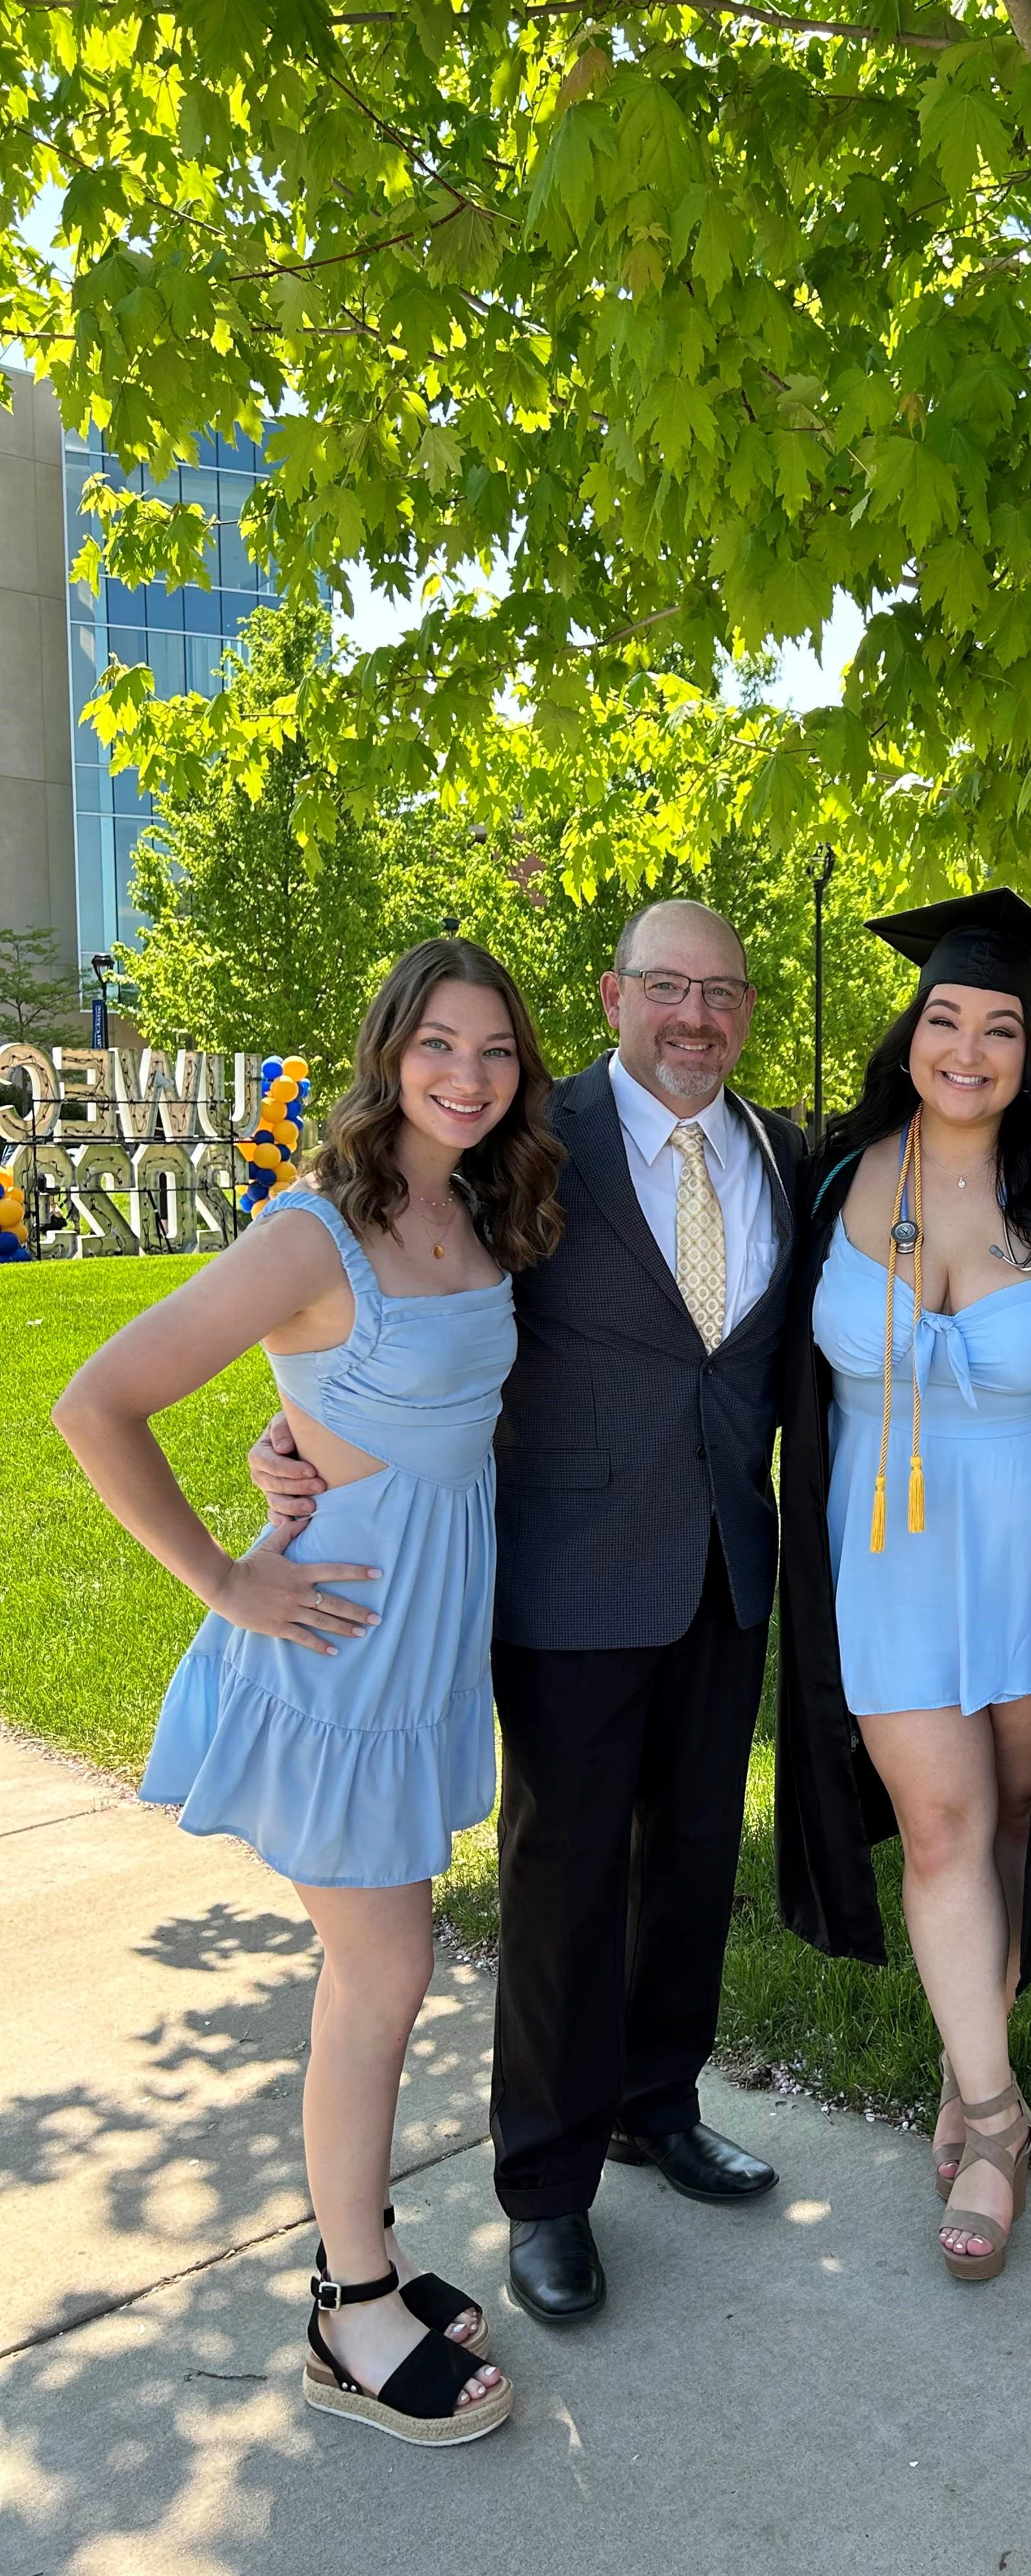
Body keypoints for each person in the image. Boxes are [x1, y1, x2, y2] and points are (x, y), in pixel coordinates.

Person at [251, 899, 804, 2327]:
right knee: (562, 1886)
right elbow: (397, 1305)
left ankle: (657, 2104)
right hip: (563, 1570)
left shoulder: (781, 1152)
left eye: (723, 993)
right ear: (616, 995)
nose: (697, 1016)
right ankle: (546, 2189)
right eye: (668, 988)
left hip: (727, 1565)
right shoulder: (526, 1136)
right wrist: (297, 1438)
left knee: (691, 1856)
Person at [55, 938, 565, 2445]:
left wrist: (301, 1441)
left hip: (422, 1640)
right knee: (383, 1978)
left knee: (384, 1974)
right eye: (440, 1048)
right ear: (389, 1049)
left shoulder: (476, 1203)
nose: (467, 1078)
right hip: (334, 1647)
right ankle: (349, 2311)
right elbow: (97, 1402)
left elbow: (416, 1406)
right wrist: (226, 1574)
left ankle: (375, 2258)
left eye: (494, 1052)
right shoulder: (312, 1231)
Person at [774, 889, 1031, 2283]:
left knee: (1017, 1809)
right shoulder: (821, 1172)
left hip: (1030, 1550)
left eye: (1003, 1027)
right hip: (878, 1559)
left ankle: (966, 2050)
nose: (972, 1048)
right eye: (948, 1018)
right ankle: (996, 2118)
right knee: (939, 1827)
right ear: (911, 1029)